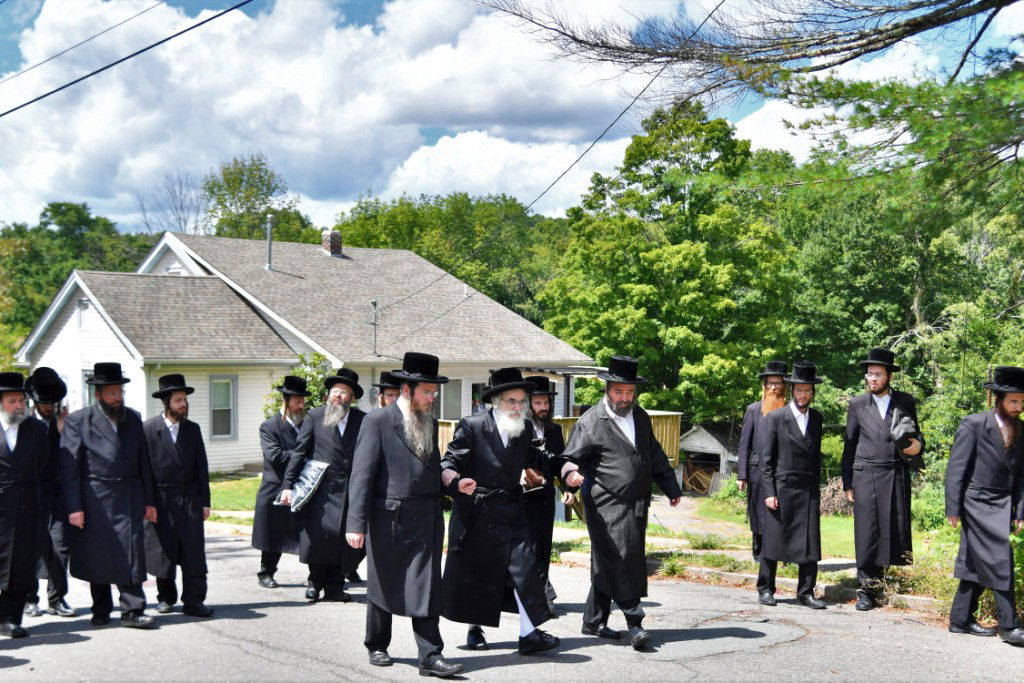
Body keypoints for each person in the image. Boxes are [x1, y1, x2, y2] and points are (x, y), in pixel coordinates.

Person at [440, 368, 580, 656]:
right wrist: (455, 482)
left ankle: (529, 635)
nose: (518, 407)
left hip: (512, 511)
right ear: (495, 401)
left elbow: (538, 457)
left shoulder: (523, 428)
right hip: (478, 512)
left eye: (521, 401)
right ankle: (474, 629)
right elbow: (449, 461)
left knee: (524, 571)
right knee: (480, 574)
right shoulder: (472, 425)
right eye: (511, 401)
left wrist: (566, 469)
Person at [346, 352, 463, 678]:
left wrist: (451, 481)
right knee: (383, 583)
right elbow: (361, 476)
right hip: (390, 518)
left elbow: (432, 467)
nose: (432, 398)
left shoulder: (429, 421)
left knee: (427, 587)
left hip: (426, 518)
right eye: (427, 392)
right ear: (408, 390)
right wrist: (355, 523)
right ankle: (377, 644)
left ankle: (431, 656)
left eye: (434, 393)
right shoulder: (377, 422)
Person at [562, 355, 682, 651]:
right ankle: (635, 622)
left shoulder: (639, 416)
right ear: (608, 389)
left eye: (629, 392)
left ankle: (593, 620)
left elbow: (653, 453)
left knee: (611, 559)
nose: (624, 398)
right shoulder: (591, 420)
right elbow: (569, 458)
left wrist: (670, 486)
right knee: (622, 557)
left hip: (637, 502)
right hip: (605, 503)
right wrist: (571, 476)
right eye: (619, 391)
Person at [60, 362, 158, 629]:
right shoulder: (78, 421)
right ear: (98, 394)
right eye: (112, 393)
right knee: (98, 554)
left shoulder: (133, 418)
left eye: (120, 393)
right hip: (95, 498)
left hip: (129, 495)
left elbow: (144, 463)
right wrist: (74, 507)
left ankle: (133, 610)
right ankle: (101, 609)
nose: (118, 398)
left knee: (132, 554)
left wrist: (149, 500)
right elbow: (69, 469)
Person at [945, 365, 1024, 645]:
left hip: (1002, 503)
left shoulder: (1021, 429)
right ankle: (1009, 625)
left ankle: (960, 619)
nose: (1018, 407)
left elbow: (1021, 476)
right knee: (1002, 559)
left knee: (974, 561)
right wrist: (952, 508)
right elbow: (956, 469)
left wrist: (1019, 511)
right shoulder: (974, 424)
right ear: (998, 399)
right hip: (977, 502)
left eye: (1022, 402)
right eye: (1013, 401)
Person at [842, 348, 924, 611]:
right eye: (870, 374)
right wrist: (848, 482)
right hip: (865, 473)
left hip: (894, 471)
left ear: (889, 375)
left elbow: (916, 434)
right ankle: (866, 589)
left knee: (891, 528)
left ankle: (882, 580)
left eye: (878, 374)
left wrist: (918, 446)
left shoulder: (905, 401)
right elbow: (849, 444)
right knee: (867, 531)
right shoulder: (857, 404)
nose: (873, 379)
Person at [281, 368, 364, 602]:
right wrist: (288, 485)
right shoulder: (315, 417)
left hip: (349, 489)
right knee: (318, 537)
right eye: (334, 390)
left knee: (342, 540)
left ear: (352, 398)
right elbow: (299, 453)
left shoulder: (362, 420)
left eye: (343, 392)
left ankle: (336, 586)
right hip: (320, 490)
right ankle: (314, 583)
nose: (337, 395)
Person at [143, 374, 213, 618]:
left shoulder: (192, 430)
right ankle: (165, 597)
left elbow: (202, 468)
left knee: (194, 552)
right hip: (161, 500)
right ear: (166, 402)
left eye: (184, 399)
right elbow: (145, 471)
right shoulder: (149, 429)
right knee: (165, 551)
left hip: (189, 499)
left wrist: (205, 502)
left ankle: (195, 600)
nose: (183, 404)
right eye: (178, 400)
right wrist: (148, 503)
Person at [759, 361, 827, 610]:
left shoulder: (817, 418)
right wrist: (769, 492)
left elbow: (816, 457)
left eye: (807, 390)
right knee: (774, 540)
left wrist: (817, 491)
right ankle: (766, 588)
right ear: (792, 391)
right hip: (782, 487)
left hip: (807, 488)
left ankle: (806, 592)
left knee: (810, 542)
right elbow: (767, 459)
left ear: (812, 393)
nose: (803, 395)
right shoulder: (777, 417)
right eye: (799, 390)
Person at [23, 367, 75, 618]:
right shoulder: (22, 423)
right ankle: (29, 598)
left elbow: (74, 457)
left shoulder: (65, 423)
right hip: (31, 495)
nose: (49, 407)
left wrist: (65, 433)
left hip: (58, 495)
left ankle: (57, 599)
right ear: (34, 402)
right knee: (31, 547)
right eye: (44, 403)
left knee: (60, 547)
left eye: (52, 403)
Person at [0, 372, 47, 638]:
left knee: (19, 565)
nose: (19, 405)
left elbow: (42, 464)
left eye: (21, 400)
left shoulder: (37, 429)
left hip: (26, 506)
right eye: (12, 401)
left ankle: (10, 618)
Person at [253, 375, 308, 589]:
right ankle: (266, 573)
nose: (301, 405)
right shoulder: (269, 426)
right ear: (285, 401)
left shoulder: (306, 424)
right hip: (274, 486)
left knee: (307, 531)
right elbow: (275, 456)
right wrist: (302, 455)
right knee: (273, 534)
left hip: (301, 486)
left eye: (303, 401)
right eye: (297, 401)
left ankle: (316, 576)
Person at [736, 361, 788, 564]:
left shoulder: (789, 411)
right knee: (758, 510)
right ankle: (758, 551)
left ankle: (779, 552)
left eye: (778, 383)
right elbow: (744, 445)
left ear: (785, 386)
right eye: (770, 384)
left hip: (781, 469)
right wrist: (742, 474)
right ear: (764, 386)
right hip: (757, 469)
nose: (773, 388)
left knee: (780, 510)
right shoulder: (753, 410)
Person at [523, 375, 566, 617]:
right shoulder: (519, 427)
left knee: (543, 546)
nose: (543, 408)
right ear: (529, 404)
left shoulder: (555, 430)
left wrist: (569, 490)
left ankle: (542, 593)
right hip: (522, 496)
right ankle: (538, 594)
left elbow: (562, 462)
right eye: (538, 403)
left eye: (546, 403)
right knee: (526, 547)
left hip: (546, 496)